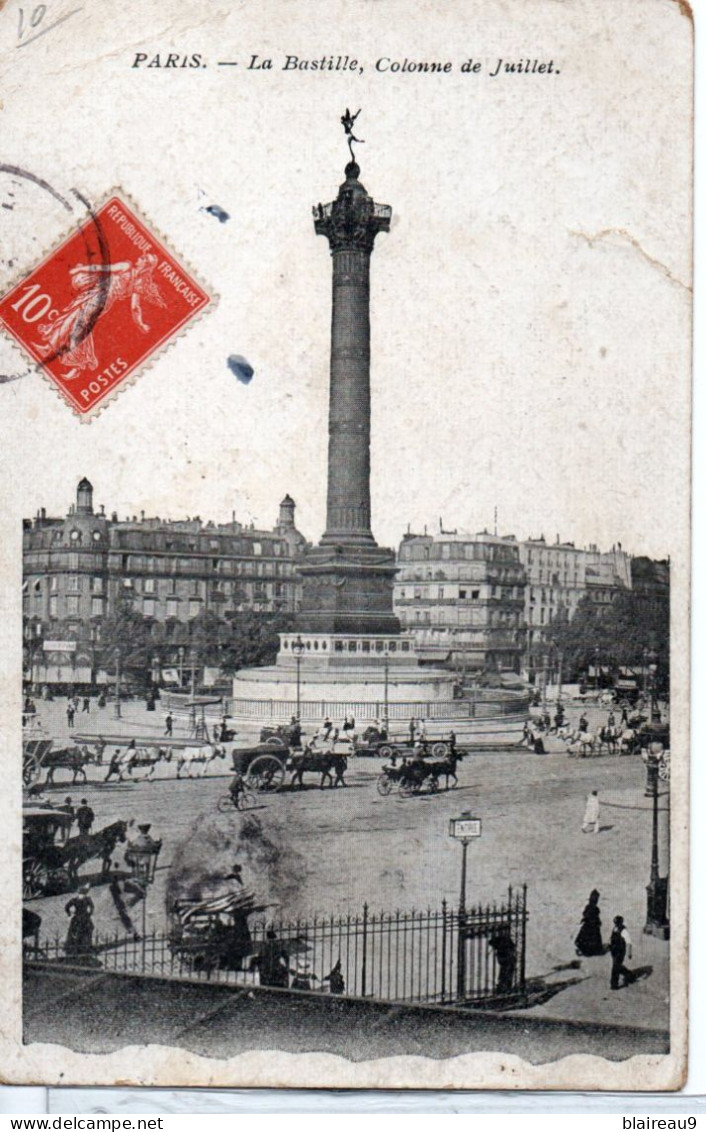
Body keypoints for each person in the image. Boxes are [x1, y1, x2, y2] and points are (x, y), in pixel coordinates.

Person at [64, 884, 95, 958]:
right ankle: (85, 948)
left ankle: (75, 949)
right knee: (86, 933)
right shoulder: (87, 899)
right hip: (85, 918)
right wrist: (89, 914)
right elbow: (92, 907)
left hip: (76, 918)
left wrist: (69, 914)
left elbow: (66, 907)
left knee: (75, 933)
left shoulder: (74, 900)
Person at [575, 889, 604, 956]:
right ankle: (592, 949)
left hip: (590, 925)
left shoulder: (591, 908)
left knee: (587, 937)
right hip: (592, 926)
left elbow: (585, 914)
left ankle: (588, 949)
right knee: (591, 937)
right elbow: (587, 914)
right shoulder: (593, 908)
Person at [609, 915, 635, 989]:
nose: (616, 924)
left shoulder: (624, 931)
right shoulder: (614, 929)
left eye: (617, 923)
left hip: (620, 952)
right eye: (615, 923)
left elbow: (629, 942)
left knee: (615, 968)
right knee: (618, 966)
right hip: (614, 951)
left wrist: (629, 953)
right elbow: (612, 938)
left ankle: (614, 984)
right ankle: (630, 975)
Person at [489, 928, 516, 994]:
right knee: (505, 973)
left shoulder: (505, 940)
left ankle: (504, 988)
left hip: (507, 959)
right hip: (506, 959)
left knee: (505, 973)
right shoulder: (503, 940)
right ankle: (504, 988)